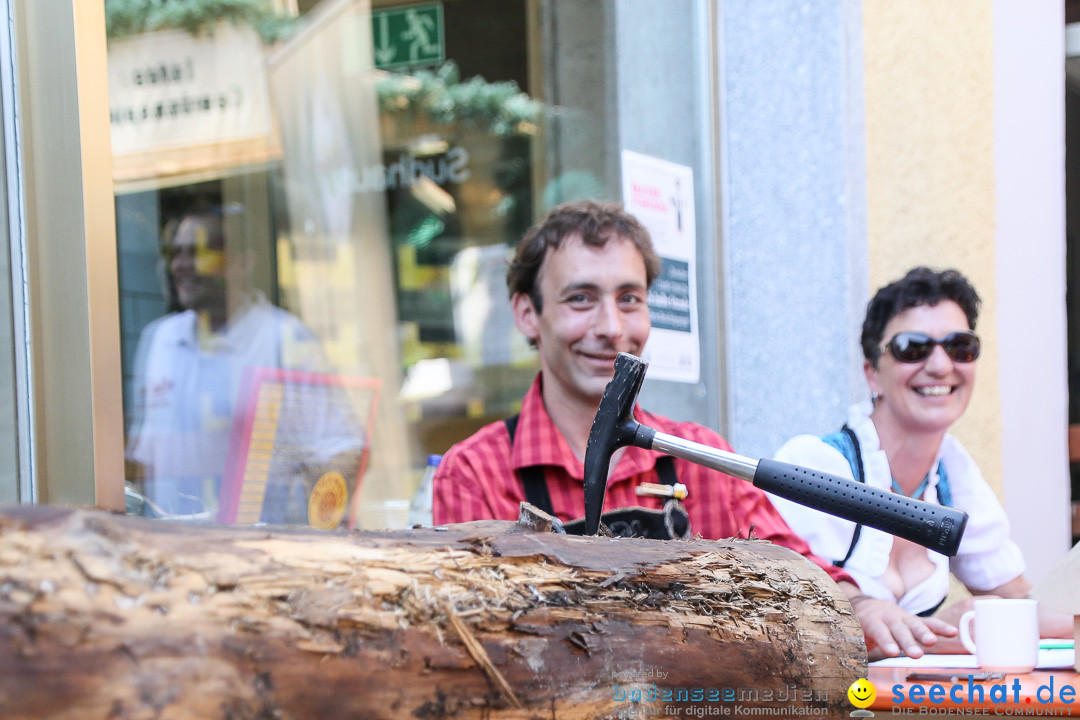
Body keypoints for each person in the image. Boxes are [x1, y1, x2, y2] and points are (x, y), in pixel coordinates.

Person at [433, 199, 879, 617]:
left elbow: (802, 576)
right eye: (580, 299)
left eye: (629, 299)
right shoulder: (475, 473)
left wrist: (862, 608)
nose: (611, 328)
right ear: (528, 313)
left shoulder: (702, 460)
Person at [769, 266, 1071, 658]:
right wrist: (948, 630)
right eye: (914, 347)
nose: (941, 366)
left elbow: (1021, 602)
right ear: (873, 373)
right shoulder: (817, 466)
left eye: (960, 346)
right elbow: (784, 627)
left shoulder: (953, 474)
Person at [126, 205, 364, 524]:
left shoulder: (284, 338)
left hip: (260, 547)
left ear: (242, 263)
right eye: (176, 253)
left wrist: (317, 529)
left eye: (198, 252)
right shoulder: (160, 339)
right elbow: (146, 459)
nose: (181, 265)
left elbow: (344, 449)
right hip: (172, 546)